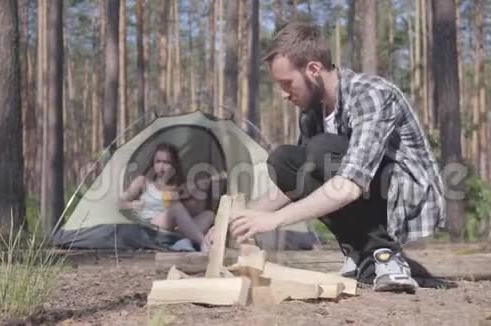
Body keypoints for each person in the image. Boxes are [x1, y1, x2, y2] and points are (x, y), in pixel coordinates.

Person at [224, 22, 446, 293]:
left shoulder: (371, 94)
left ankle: (385, 256)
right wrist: (240, 219)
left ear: (314, 70)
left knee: (321, 151)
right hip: (361, 187)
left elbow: (350, 184)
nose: (283, 94)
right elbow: (298, 182)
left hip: (406, 194)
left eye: (287, 83)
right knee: (283, 161)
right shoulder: (311, 112)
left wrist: (275, 221)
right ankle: (360, 252)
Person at [118, 142, 214, 252]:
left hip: (172, 229)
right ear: (153, 163)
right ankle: (202, 243)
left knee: (208, 214)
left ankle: (181, 242)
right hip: (149, 227)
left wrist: (197, 192)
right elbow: (119, 203)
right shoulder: (143, 181)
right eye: (158, 162)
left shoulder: (177, 186)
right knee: (175, 208)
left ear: (174, 165)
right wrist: (132, 204)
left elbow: (192, 212)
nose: (161, 167)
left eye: (167, 162)